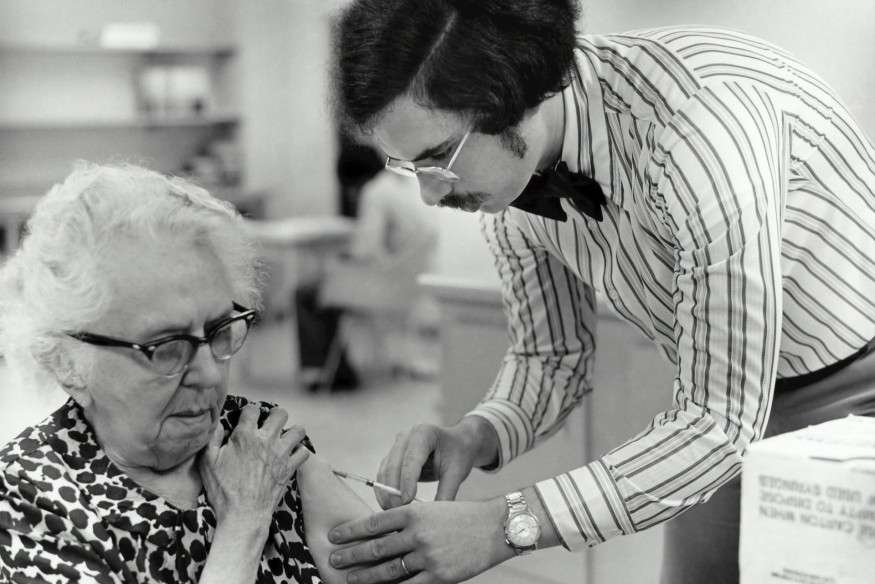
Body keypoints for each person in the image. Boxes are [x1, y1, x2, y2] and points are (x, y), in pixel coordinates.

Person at [323, 1, 875, 583]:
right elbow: (551, 357)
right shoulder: (509, 188)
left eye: (439, 157)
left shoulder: (699, 129)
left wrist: (506, 523)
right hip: (718, 400)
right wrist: (474, 434)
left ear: (517, 91)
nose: (431, 196)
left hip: (858, 386)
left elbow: (717, 425)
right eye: (410, 166)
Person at [0, 163, 373, 583]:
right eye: (166, 348)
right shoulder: (28, 504)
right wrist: (245, 520)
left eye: (218, 330)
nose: (210, 374)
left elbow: (393, 568)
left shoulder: (253, 441)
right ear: (67, 363)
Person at [295, 143, 437, 390]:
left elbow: (365, 250)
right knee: (324, 287)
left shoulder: (374, 193)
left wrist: (340, 258)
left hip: (381, 286)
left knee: (307, 293)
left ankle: (323, 373)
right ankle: (335, 368)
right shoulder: (399, 185)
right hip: (406, 285)